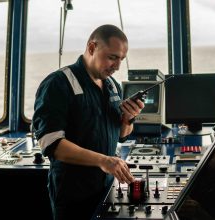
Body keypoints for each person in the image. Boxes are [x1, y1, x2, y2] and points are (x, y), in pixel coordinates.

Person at [32, 24, 145, 220]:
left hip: (106, 186)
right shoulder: (58, 83)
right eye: (112, 57)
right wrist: (104, 161)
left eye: (121, 59)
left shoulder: (112, 86)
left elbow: (121, 135)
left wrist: (128, 118)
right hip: (73, 192)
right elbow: (51, 144)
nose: (117, 66)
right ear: (92, 48)